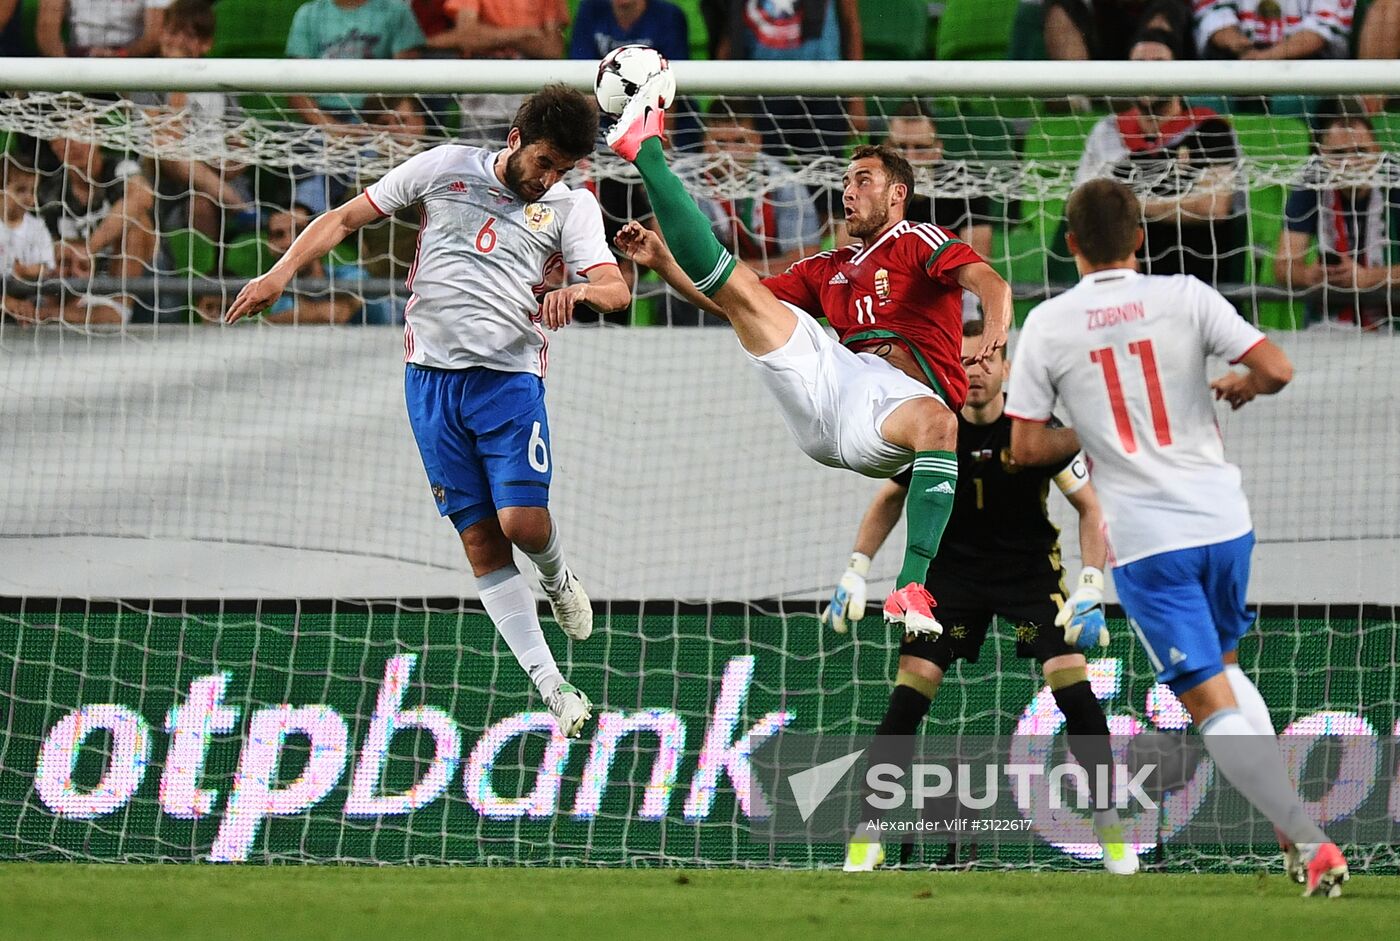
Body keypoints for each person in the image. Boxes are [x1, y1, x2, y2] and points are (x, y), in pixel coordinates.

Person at [225, 86, 632, 737]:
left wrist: (580, 287)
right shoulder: (444, 167)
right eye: (546, 162)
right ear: (516, 137)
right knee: (479, 539)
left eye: (563, 169)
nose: (549, 177)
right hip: (431, 385)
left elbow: (616, 288)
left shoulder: (571, 205)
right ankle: (554, 688)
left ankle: (558, 578)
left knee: (523, 524)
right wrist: (280, 272)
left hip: (508, 381)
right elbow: (344, 219)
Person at [1006, 177, 1349, 898]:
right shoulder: (1187, 294)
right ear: (1141, 237)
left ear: (1069, 245)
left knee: (1206, 699)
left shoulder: (1048, 323)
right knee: (1225, 667)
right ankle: (1292, 829)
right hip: (1226, 519)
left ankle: (1310, 836)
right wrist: (1246, 387)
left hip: (1147, 538)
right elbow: (1276, 367)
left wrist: (1097, 427)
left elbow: (1025, 447)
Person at [609, 75, 1013, 634]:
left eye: (864, 180)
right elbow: (733, 301)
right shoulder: (826, 268)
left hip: (895, 405)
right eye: (846, 181)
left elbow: (991, 283)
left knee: (941, 422)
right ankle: (644, 151)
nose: (849, 191)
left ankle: (910, 585)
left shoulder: (919, 239)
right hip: (831, 393)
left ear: (898, 193)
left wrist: (994, 329)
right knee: (747, 294)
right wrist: (663, 265)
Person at [824, 319, 1134, 875]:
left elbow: (1091, 506)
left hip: (1028, 571)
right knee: (907, 700)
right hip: (950, 576)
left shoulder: (1035, 431)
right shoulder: (933, 424)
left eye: (987, 361)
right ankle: (868, 832)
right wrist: (855, 569)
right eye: (966, 361)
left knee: (1074, 686)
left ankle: (1111, 830)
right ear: (951, 364)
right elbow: (889, 500)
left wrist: (1092, 583)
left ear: (1007, 368)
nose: (976, 371)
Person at [1073, 41, 1244, 288]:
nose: (1148, 72)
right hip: (1121, 286)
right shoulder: (1107, 132)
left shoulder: (1211, 129)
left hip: (1196, 281)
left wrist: (1129, 205)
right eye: (1139, 64)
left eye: (1158, 63)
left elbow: (1213, 207)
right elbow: (1087, 208)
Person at [1275, 109, 1397, 332]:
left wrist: (1370, 278)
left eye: (1360, 152)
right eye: (1338, 154)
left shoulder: (1395, 181)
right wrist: (1311, 275)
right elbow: (1283, 267)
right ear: (1322, 155)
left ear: (1377, 152)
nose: (1349, 163)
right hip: (1330, 323)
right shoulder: (1311, 182)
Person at [879, 101, 993, 322]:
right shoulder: (867, 190)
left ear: (937, 149)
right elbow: (850, 257)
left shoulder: (965, 186)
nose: (909, 157)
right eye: (901, 147)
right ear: (887, 148)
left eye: (920, 148)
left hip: (950, 300)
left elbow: (977, 261)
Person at [39, 134, 158, 325]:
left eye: (80, 136)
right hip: (79, 278)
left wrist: (89, 248)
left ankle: (119, 309)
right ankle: (57, 311)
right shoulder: (51, 192)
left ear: (96, 137)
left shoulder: (121, 168)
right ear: (54, 147)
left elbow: (143, 197)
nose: (74, 145)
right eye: (63, 140)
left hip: (137, 272)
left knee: (137, 222)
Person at [694, 99, 821, 277]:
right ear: (704, 143)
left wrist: (739, 273)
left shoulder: (784, 182)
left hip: (767, 282)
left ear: (757, 141)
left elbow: (805, 257)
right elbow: (673, 256)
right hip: (704, 289)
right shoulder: (684, 181)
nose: (729, 153)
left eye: (739, 142)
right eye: (720, 143)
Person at [0, 153, 57, 324]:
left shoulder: (37, 227)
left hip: (29, 296)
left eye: (33, 190)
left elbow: (46, 267)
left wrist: (26, 270)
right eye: (20, 190)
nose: (29, 198)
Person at [1195, 0, 1352, 59]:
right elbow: (1212, 13)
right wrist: (1237, 44)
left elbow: (1321, 29)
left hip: (1305, 63)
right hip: (1237, 59)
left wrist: (1266, 57)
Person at [1044, 0, 1192, 61]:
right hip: (1107, 41)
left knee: (1167, 10)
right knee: (1062, 5)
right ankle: (1074, 88)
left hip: (1156, 26)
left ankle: (1148, 91)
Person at [37, 0, 170, 58]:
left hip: (132, 59)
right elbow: (47, 32)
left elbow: (154, 35)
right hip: (76, 57)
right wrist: (68, 72)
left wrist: (121, 55)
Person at [569, 0, 689, 61]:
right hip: (602, 98)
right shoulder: (590, 10)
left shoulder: (669, 16)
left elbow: (674, 79)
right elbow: (581, 69)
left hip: (654, 98)